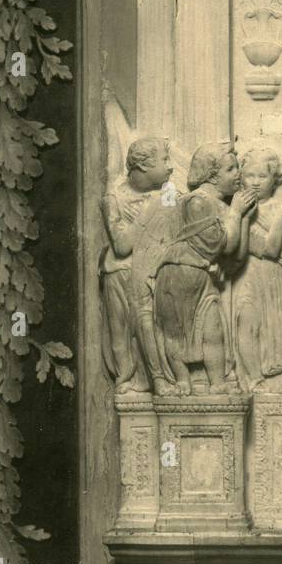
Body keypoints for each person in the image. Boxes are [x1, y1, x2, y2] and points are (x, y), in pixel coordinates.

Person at [152, 144, 255, 393]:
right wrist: (237, 212)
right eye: (231, 168)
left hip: (197, 274)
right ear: (212, 174)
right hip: (179, 272)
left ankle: (217, 384)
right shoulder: (197, 201)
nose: (238, 173)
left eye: (238, 167)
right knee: (177, 329)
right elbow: (225, 245)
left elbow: (238, 254)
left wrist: (243, 218)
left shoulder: (219, 205)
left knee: (212, 327)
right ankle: (182, 381)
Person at [100, 137, 173, 393]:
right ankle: (126, 379)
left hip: (154, 273)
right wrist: (148, 212)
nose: (171, 166)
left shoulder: (168, 194)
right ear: (143, 166)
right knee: (122, 331)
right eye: (164, 160)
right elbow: (121, 246)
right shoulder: (114, 198)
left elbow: (176, 231)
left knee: (153, 327)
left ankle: (156, 378)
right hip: (122, 272)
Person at [232, 149, 282, 390]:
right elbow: (270, 250)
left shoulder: (278, 206)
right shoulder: (239, 209)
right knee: (247, 321)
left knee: (275, 325)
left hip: (271, 278)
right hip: (247, 275)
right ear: (241, 178)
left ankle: (274, 375)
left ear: (275, 179)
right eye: (250, 175)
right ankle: (253, 377)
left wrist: (278, 224)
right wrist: (279, 223)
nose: (256, 182)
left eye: (262, 176)